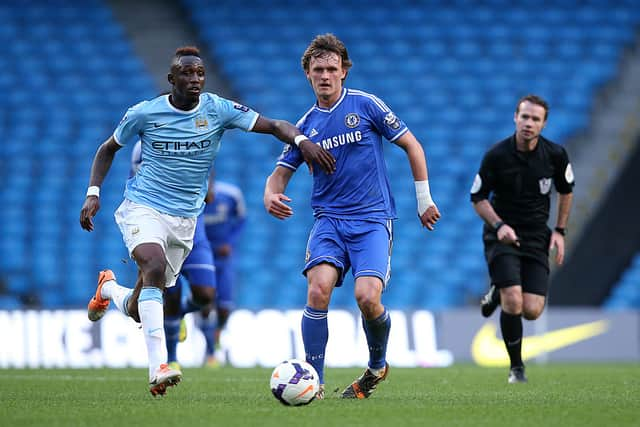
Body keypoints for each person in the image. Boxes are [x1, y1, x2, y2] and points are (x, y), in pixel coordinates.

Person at [79, 46, 335, 396]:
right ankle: (159, 367)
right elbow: (108, 148)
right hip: (143, 207)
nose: (195, 79)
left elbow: (274, 125)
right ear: (172, 79)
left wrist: (302, 140)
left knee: (141, 306)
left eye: (200, 73)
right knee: (152, 265)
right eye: (187, 73)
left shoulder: (217, 109)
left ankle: (109, 289)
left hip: (185, 218)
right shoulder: (145, 113)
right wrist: (93, 192)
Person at [263, 33, 440, 400]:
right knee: (317, 288)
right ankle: (316, 380)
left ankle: (377, 365)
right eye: (318, 70)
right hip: (328, 221)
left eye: (332, 68)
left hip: (373, 220)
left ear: (344, 71)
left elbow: (412, 145)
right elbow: (279, 174)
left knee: (366, 296)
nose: (325, 75)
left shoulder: (366, 105)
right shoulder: (305, 125)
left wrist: (423, 199)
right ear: (307, 75)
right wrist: (270, 193)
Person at [471, 94, 575, 383]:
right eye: (524, 117)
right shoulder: (496, 155)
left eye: (535, 119)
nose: (529, 123)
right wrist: (499, 224)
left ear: (543, 124)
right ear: (515, 118)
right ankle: (516, 368)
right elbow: (477, 197)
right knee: (513, 301)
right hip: (502, 235)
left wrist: (560, 231)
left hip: (536, 236)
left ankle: (496, 290)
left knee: (531, 310)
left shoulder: (555, 155)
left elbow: (567, 191)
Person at [130, 139, 217, 372]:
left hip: (194, 233)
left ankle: (180, 314)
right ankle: (170, 359)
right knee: (169, 296)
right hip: (163, 234)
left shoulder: (196, 144)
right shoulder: (144, 148)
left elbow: (210, 196)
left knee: (205, 294)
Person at [197, 174, 247, 367]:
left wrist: (230, 242)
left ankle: (216, 335)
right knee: (205, 303)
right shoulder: (191, 197)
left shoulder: (231, 195)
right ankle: (210, 351)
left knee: (225, 307)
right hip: (203, 255)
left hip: (224, 258)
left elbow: (242, 219)